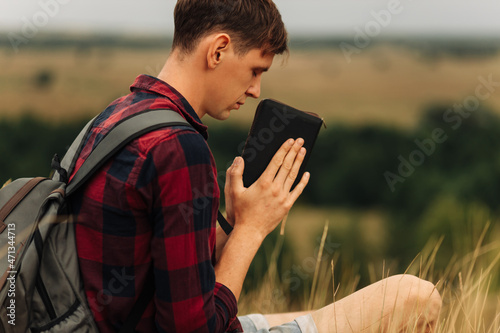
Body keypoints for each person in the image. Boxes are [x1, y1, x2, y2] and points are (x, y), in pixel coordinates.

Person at [69, 0, 442, 332]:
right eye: (255, 70)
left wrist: (231, 223)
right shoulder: (179, 148)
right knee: (416, 298)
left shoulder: (116, 117)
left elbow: (161, 274)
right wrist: (252, 230)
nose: (256, 90)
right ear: (218, 51)